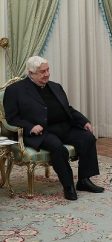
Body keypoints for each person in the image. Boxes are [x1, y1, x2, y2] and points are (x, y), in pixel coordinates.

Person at [3, 56, 104, 201]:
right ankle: (68, 186)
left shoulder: (55, 86)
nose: (47, 74)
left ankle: (84, 180)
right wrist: (30, 127)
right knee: (58, 148)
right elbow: (11, 118)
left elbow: (68, 109)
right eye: (42, 72)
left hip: (64, 127)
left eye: (47, 70)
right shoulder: (15, 90)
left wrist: (83, 121)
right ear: (31, 73)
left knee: (87, 137)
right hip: (42, 132)